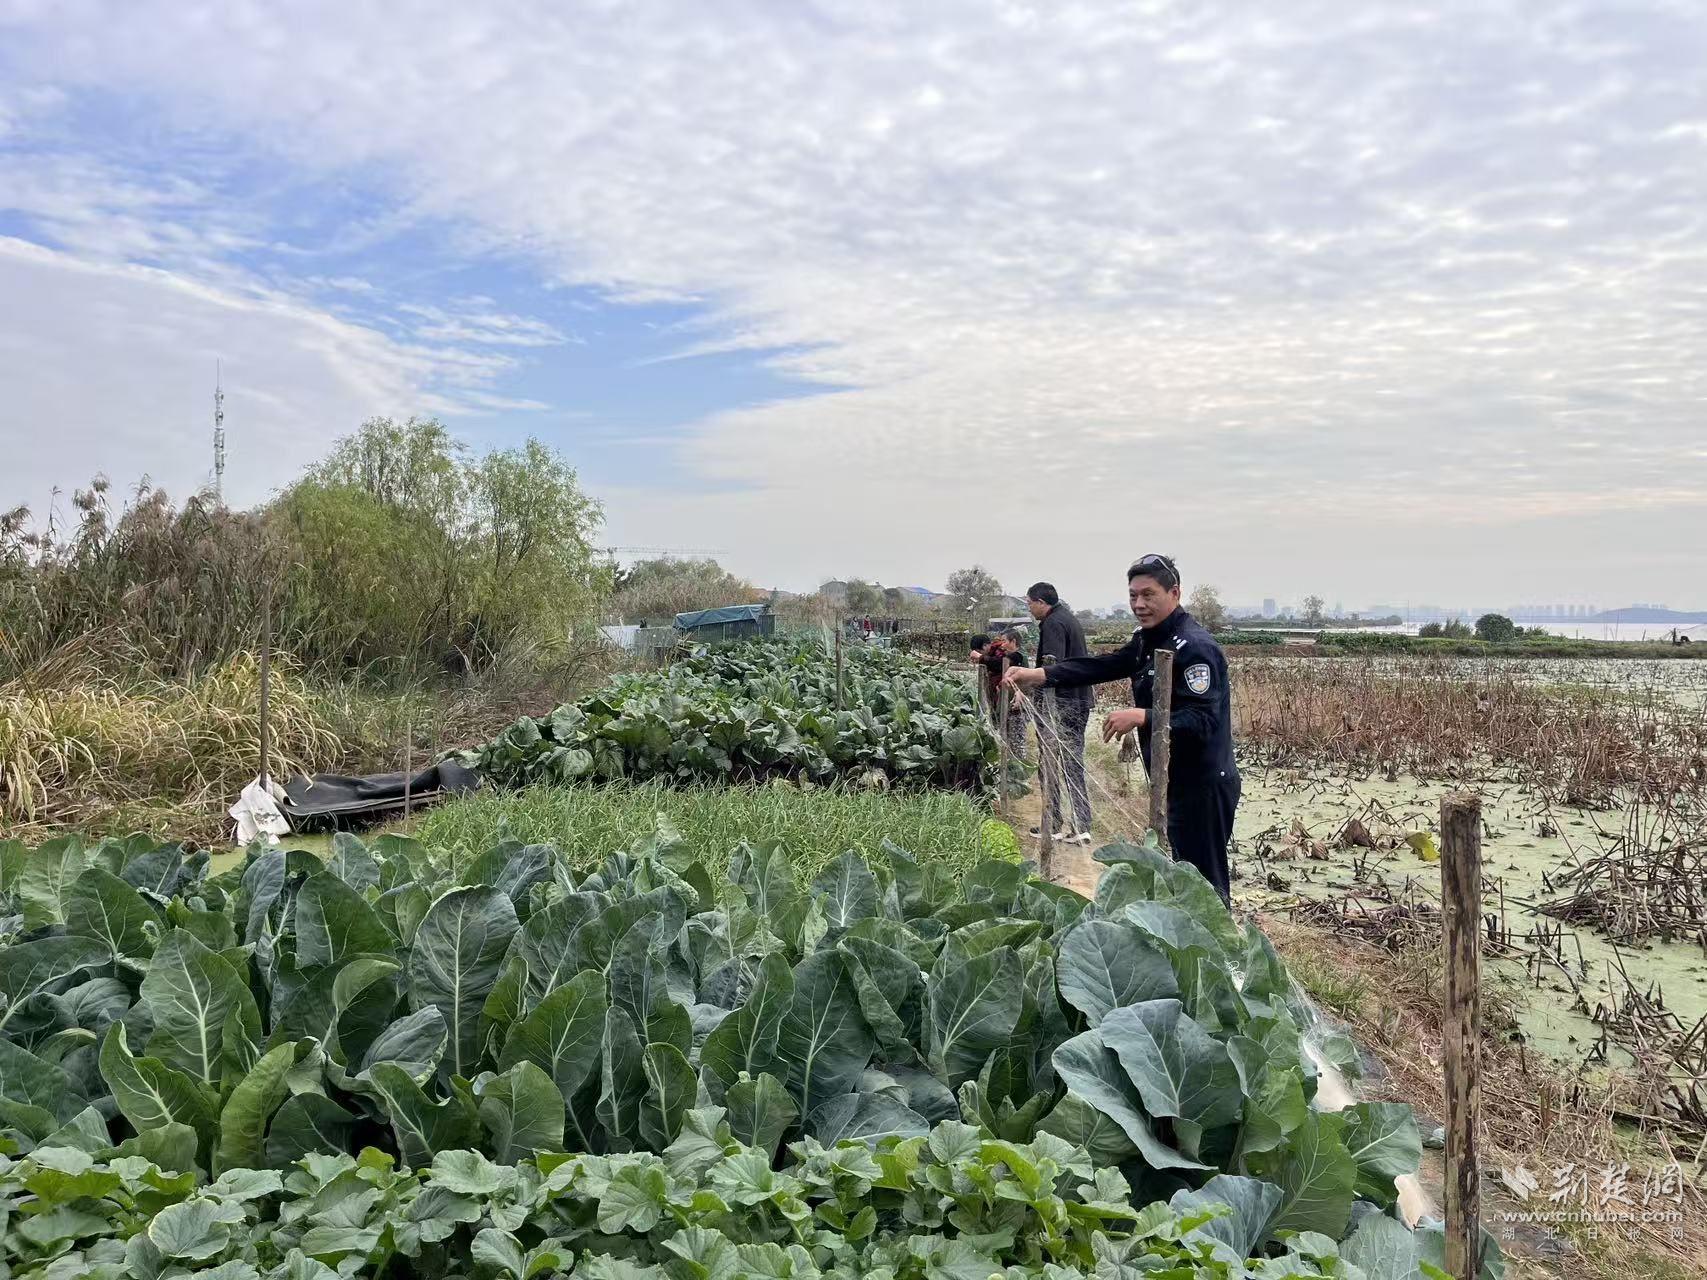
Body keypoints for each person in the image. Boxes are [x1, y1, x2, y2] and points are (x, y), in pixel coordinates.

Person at [1006, 555, 1239, 902]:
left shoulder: (1195, 647)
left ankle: (1223, 938)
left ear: (1174, 593)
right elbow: (1105, 665)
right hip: (1171, 779)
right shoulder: (1147, 639)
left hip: (1203, 783)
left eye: (1148, 594)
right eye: (1133, 595)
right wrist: (1040, 675)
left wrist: (1144, 716)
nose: (1139, 604)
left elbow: (1204, 719)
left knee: (1205, 887)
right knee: (1182, 878)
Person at [1025, 582, 1094, 844]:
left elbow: (1052, 668)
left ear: (1041, 603)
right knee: (1072, 763)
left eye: (1030, 603)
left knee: (1050, 763)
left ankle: (1053, 823)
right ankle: (1081, 825)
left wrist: (1029, 683)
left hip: (1060, 705)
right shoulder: (1069, 619)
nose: (1029, 608)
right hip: (1078, 700)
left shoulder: (1053, 624)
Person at [969, 631, 1030, 764]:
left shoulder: (1018, 657)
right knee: (1005, 738)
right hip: (1005, 704)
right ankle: (1007, 766)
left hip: (1016, 706)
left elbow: (999, 663)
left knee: (1016, 742)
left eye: (1005, 641)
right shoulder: (1004, 655)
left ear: (1013, 642)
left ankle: (1018, 769)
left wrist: (981, 658)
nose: (1002, 644)